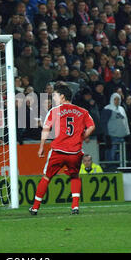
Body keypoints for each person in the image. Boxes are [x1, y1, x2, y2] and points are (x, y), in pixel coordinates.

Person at [30, 83, 95, 215]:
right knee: (75, 175)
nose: (53, 98)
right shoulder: (82, 111)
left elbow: (46, 128)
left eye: (55, 95)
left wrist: (42, 146)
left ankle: (35, 207)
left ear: (62, 96)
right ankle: (75, 206)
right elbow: (92, 126)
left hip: (58, 151)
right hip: (75, 152)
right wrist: (82, 137)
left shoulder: (55, 111)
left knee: (47, 177)